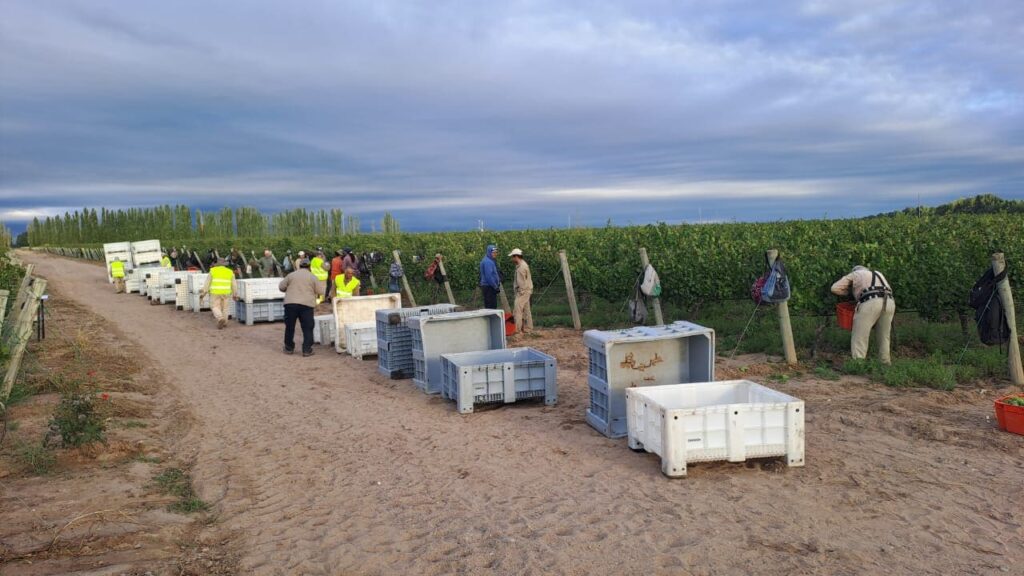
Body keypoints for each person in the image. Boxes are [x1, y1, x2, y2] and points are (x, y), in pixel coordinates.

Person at [831, 265, 896, 364]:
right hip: (889, 302)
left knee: (860, 335)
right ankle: (885, 363)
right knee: (884, 336)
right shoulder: (879, 273)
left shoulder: (855, 274)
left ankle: (858, 364)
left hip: (870, 302)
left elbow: (834, 288)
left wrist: (848, 293)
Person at [279, 258, 324, 356]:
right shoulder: (312, 277)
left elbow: (281, 287)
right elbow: (321, 291)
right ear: (309, 267)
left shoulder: (291, 275)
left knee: (290, 327)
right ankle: (307, 350)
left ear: (299, 266)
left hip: (290, 304)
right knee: (307, 327)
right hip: (306, 305)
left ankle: (289, 348)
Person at [200, 257, 238, 329]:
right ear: (224, 264)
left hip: (215, 292)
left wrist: (204, 293)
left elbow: (207, 283)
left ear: (217, 264)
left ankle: (220, 318)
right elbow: (234, 284)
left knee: (214, 306)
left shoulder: (213, 271)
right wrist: (235, 294)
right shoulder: (230, 272)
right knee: (225, 307)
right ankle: (225, 322)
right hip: (226, 292)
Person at [509, 248, 533, 334]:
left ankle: (518, 331)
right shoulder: (522, 265)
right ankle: (529, 328)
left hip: (523, 291)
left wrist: (520, 293)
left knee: (517, 310)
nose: (512, 259)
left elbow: (522, 283)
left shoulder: (521, 268)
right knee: (526, 309)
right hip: (527, 290)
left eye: (512, 257)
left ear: (516, 257)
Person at [479, 244, 501, 309]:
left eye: (496, 252)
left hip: (489, 286)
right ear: (489, 252)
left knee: (490, 305)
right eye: (493, 253)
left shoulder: (489, 260)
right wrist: (495, 286)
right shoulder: (487, 262)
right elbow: (489, 277)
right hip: (489, 287)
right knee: (491, 307)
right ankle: (491, 319)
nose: (495, 254)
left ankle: (490, 318)